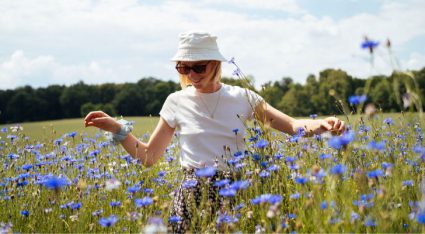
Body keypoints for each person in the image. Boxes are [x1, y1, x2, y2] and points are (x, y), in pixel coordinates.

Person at [84, 31, 346, 232]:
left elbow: (290, 126)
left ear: (216, 64)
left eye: (199, 67)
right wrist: (117, 129)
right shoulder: (175, 101)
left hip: (237, 190)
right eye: (184, 68)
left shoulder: (243, 96)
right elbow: (149, 157)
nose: (192, 74)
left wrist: (321, 125)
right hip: (191, 194)